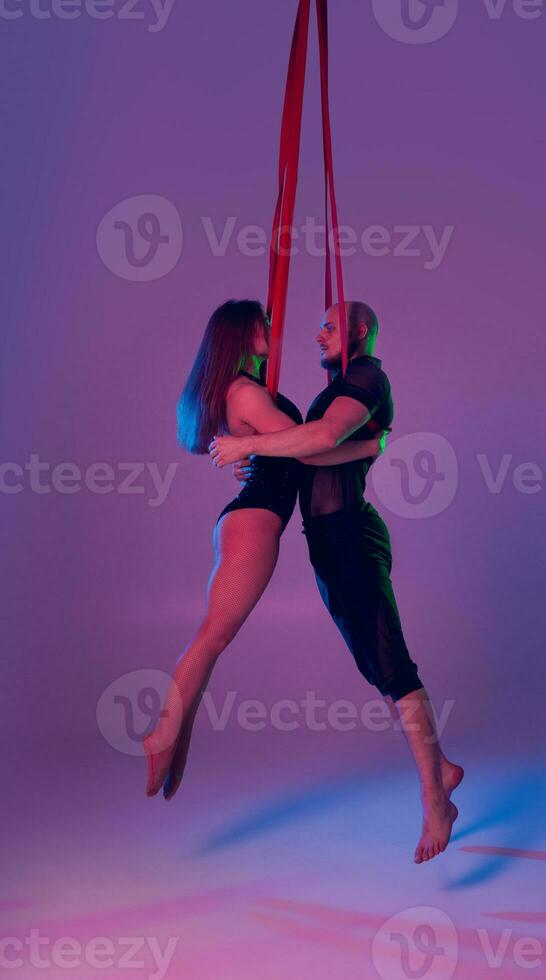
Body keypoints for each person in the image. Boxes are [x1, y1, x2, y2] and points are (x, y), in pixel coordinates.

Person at [210, 301, 463, 863]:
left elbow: (321, 438)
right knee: (375, 665)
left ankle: (436, 800)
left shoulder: (368, 375)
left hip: (349, 533)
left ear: (360, 332)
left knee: (393, 665)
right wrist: (265, 456)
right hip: (326, 539)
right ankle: (440, 764)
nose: (315, 333)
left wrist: (248, 444)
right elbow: (316, 450)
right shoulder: (341, 385)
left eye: (329, 325)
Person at [143, 299, 386, 800]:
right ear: (239, 335)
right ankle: (161, 734)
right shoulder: (246, 393)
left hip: (249, 517)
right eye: (263, 324)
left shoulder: (244, 391)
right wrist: (366, 447)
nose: (271, 330)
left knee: (215, 642)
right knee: (212, 637)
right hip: (254, 521)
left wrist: (255, 449)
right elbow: (309, 445)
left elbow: (283, 448)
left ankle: (178, 736)